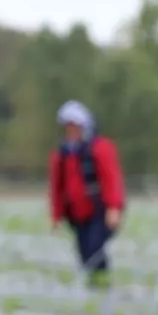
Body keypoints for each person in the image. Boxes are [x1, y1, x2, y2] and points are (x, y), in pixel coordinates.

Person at [48, 100, 125, 286]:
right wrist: (56, 216)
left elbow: (112, 179)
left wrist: (114, 207)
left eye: (75, 126)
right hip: (77, 214)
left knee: (95, 247)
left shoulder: (100, 149)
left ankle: (102, 282)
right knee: (83, 251)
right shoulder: (62, 156)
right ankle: (94, 283)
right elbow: (57, 188)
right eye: (68, 127)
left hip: (100, 211)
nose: (71, 131)